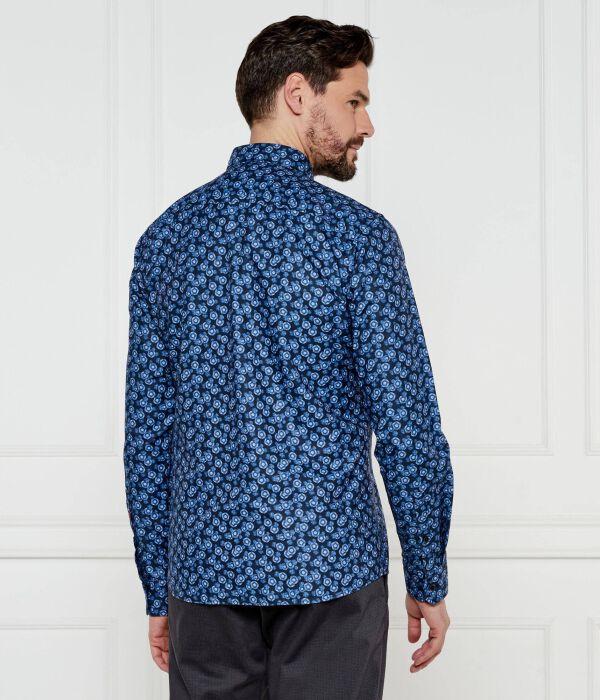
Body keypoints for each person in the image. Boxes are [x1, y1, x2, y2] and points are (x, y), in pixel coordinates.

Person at [123, 14, 454, 699]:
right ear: (298, 94)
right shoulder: (359, 240)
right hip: (330, 571)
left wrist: (159, 588)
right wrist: (427, 574)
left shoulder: (166, 241)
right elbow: (407, 425)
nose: (367, 124)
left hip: (203, 579)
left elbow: (147, 436)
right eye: (354, 101)